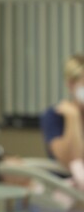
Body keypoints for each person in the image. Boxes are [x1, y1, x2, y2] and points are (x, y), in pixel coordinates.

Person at [40, 54, 84, 190]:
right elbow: (70, 161)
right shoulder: (53, 116)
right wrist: (73, 118)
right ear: (71, 84)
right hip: (62, 191)